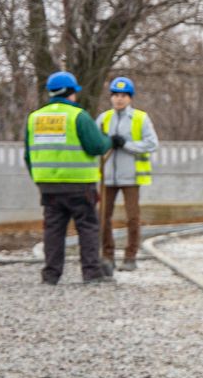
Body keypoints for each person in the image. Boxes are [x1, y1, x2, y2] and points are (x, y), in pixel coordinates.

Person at [24, 71, 116, 286]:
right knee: (87, 227)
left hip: (47, 186)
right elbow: (96, 146)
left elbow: (28, 155)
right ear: (71, 93)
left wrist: (40, 179)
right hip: (79, 185)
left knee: (53, 230)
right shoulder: (78, 116)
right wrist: (110, 141)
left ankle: (51, 275)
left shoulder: (34, 118)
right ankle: (92, 273)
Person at [96, 76, 159, 272]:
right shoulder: (104, 118)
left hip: (131, 177)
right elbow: (95, 144)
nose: (119, 99)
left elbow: (152, 144)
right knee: (103, 217)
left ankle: (130, 256)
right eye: (115, 95)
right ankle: (107, 256)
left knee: (132, 217)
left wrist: (127, 145)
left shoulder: (140, 118)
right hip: (107, 177)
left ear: (130, 98)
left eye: (123, 95)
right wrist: (107, 143)